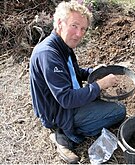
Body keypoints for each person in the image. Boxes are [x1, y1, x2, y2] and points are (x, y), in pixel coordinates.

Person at [29, 0, 126, 163]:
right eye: (74, 26)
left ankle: (73, 124)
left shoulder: (62, 46)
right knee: (119, 111)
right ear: (59, 23)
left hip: (65, 103)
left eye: (83, 29)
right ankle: (64, 134)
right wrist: (100, 85)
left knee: (99, 99)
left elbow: (74, 72)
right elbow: (66, 99)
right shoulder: (48, 54)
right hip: (59, 112)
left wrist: (94, 72)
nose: (79, 34)